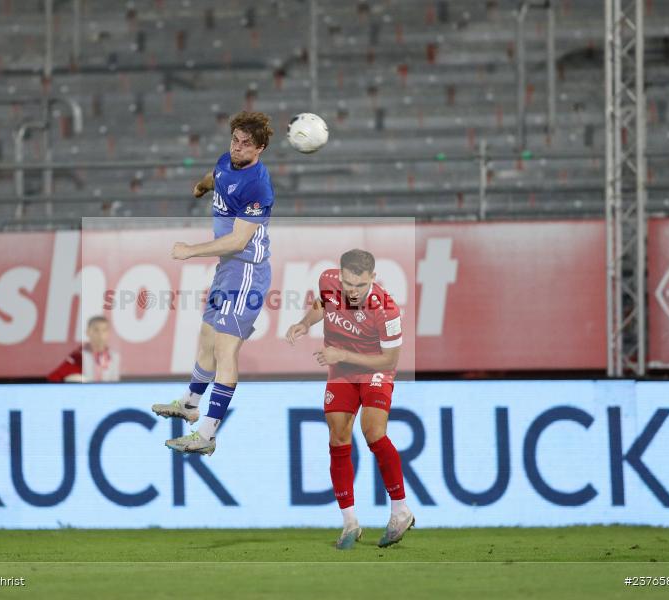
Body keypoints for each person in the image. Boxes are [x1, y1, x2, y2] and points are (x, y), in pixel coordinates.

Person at [151, 111, 275, 456]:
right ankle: (190, 402)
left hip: (247, 271)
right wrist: (203, 185)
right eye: (235, 140)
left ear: (260, 148)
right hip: (227, 271)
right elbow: (217, 174)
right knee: (206, 337)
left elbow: (238, 242)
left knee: (225, 350)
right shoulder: (227, 162)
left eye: (246, 143)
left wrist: (191, 251)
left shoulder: (258, 185)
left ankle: (206, 433)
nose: (237, 148)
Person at [286, 249, 415, 550]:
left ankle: (400, 510)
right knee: (338, 435)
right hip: (341, 369)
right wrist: (306, 323)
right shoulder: (328, 280)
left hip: (374, 369)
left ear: (372, 278)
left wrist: (342, 353)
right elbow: (323, 304)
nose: (352, 291)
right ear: (340, 275)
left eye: (359, 285)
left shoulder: (387, 310)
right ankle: (350, 522)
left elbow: (389, 360)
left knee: (373, 432)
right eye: (348, 284)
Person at [48, 315, 121, 382]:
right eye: (96, 330)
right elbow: (54, 377)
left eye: (104, 330)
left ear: (109, 333)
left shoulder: (114, 357)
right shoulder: (78, 356)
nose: (100, 334)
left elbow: (115, 382)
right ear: (88, 332)